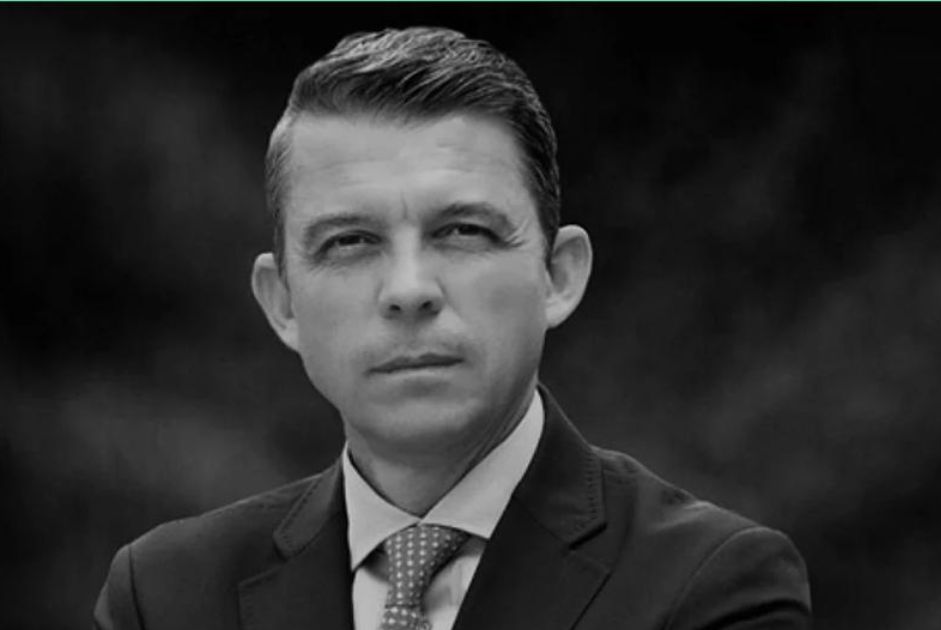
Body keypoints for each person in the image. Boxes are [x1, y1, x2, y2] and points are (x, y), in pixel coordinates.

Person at [93, 27, 811, 630]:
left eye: (462, 231)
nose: (409, 290)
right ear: (281, 302)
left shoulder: (713, 586)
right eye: (350, 241)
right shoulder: (164, 597)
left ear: (558, 275)